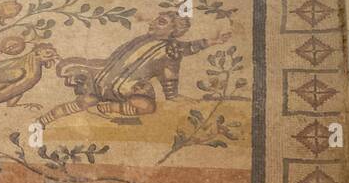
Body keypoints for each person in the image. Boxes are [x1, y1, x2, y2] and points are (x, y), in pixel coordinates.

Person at [42, 11, 229, 126]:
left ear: (174, 30)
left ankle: (113, 107)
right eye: (156, 20)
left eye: (161, 22)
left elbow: (185, 53)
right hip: (105, 79)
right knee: (84, 101)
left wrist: (212, 41)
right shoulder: (143, 39)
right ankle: (45, 120)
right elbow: (114, 58)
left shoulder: (170, 48)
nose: (153, 23)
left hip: (127, 88)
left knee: (145, 105)